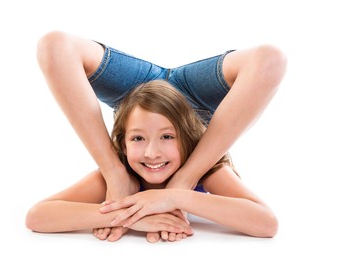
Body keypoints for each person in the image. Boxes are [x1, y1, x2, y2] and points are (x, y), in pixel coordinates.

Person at [28, 31, 287, 242]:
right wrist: (127, 214)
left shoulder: (210, 173)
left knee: (272, 58)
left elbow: (267, 224)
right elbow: (37, 217)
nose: (152, 153)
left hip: (179, 103)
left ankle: (185, 177)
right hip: (138, 102)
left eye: (167, 137)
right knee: (53, 44)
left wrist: (177, 194)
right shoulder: (126, 169)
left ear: (185, 137)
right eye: (137, 139)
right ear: (123, 141)